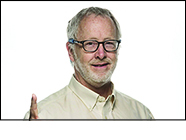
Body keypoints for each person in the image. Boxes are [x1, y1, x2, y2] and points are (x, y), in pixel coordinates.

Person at [24, 7, 154, 119]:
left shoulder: (142, 114)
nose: (101, 54)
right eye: (90, 44)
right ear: (71, 51)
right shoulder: (45, 116)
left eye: (109, 43)